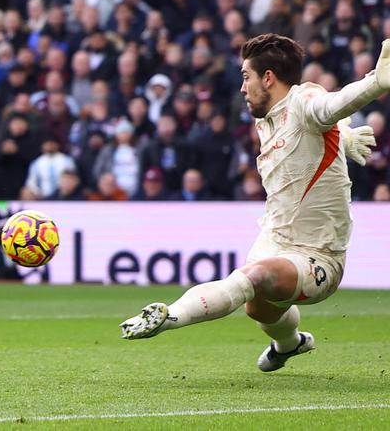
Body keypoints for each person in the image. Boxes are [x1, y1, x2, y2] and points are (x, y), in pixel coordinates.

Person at [120, 33, 385, 373]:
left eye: (246, 77)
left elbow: (330, 106)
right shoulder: (268, 118)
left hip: (317, 256)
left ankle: (169, 316)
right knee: (259, 310)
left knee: (254, 276)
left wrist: (374, 82)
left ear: (269, 77)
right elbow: (320, 127)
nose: (243, 88)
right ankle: (290, 344)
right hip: (274, 240)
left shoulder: (304, 100)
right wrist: (342, 137)